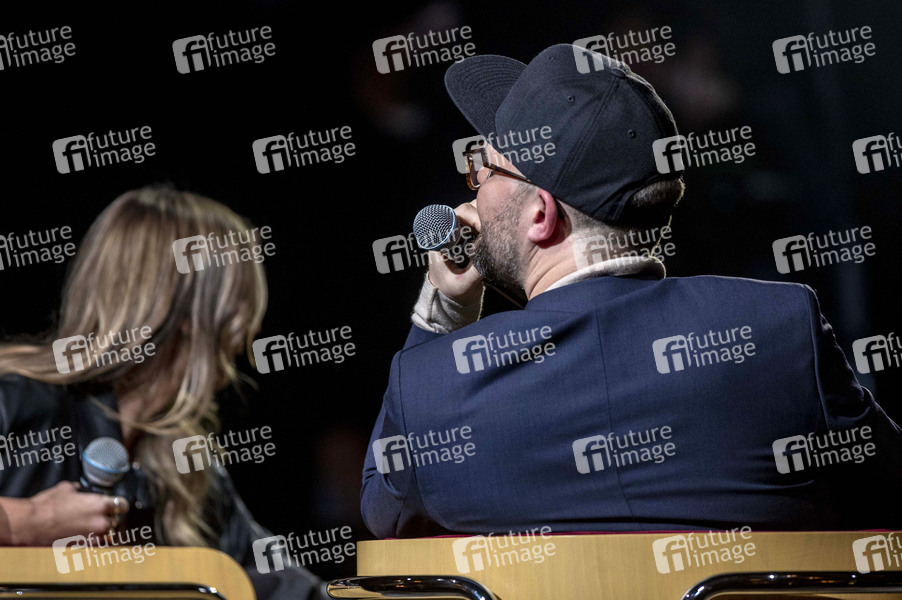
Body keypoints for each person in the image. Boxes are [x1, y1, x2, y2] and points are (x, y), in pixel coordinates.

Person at [361, 44, 902, 538]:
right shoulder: (781, 329)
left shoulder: (437, 383)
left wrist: (441, 316)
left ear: (540, 215)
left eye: (485, 168)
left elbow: (385, 512)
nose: (475, 188)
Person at [0, 186, 327, 600]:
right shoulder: (16, 400)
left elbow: (283, 586)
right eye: (240, 299)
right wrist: (26, 522)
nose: (250, 328)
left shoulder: (186, 466)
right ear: (192, 313)